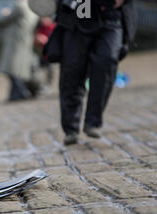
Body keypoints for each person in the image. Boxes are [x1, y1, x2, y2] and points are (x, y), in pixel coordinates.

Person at [55, 0, 136, 145]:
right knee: (72, 72)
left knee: (107, 62)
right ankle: (71, 129)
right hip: (79, 14)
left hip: (111, 14)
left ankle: (93, 121)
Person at [0, 0, 39, 102]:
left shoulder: (20, 7)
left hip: (15, 42)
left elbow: (6, 19)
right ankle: (18, 93)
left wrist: (6, 13)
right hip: (25, 41)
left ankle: (19, 93)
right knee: (20, 69)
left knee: (13, 69)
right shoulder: (33, 8)